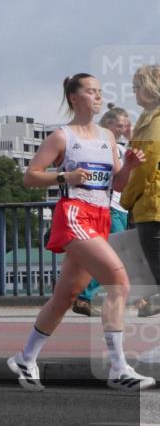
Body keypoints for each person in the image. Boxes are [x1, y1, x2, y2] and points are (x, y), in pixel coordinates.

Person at [7, 73, 152, 392]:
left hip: (100, 215)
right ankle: (118, 368)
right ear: (75, 98)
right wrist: (66, 175)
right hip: (74, 215)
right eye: (91, 92)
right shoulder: (63, 137)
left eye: (100, 92)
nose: (98, 97)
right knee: (118, 281)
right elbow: (30, 177)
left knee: (65, 296)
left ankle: (25, 356)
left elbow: (117, 185)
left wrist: (127, 166)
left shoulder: (107, 137)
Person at [73, 105, 133, 316]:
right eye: (119, 125)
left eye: (125, 125)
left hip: (118, 207)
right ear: (107, 124)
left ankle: (83, 295)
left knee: (111, 256)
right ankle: (85, 295)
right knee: (115, 256)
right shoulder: (109, 146)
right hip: (112, 207)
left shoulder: (116, 147)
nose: (122, 129)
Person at [120, 64, 160, 318]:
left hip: (153, 206)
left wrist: (126, 198)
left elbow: (145, 166)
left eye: (136, 87)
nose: (133, 93)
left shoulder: (153, 122)